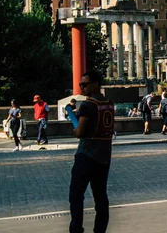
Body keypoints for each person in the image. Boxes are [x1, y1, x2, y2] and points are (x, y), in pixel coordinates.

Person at [69, 70, 114, 233]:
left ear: (95, 84)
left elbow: (80, 132)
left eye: (85, 84)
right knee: (101, 197)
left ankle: (76, 229)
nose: (81, 87)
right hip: (104, 156)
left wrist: (74, 128)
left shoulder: (88, 105)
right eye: (81, 84)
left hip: (86, 155)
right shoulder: (109, 103)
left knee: (76, 195)